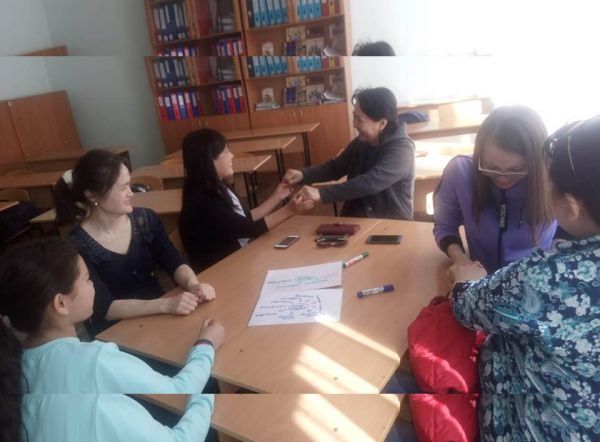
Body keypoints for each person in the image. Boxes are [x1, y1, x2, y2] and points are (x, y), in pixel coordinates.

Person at [450, 116, 600, 442]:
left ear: (572, 205)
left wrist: (465, 281)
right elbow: (445, 224)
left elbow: (466, 306)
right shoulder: (460, 173)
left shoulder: (547, 277)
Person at [0, 238, 225, 442]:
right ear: (61, 303)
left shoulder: (13, 369)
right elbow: (180, 435)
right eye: (87, 279)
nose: (93, 285)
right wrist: (206, 345)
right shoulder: (94, 363)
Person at [54, 149, 216, 337]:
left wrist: (193, 284)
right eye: (123, 188)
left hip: (159, 314)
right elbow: (104, 307)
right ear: (92, 196)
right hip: (116, 331)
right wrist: (166, 305)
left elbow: (174, 262)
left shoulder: (146, 219)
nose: (131, 193)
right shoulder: (76, 245)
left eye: (129, 185)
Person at [434, 105, 557, 273]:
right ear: (479, 155)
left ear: (536, 163)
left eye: (516, 170)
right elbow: (444, 226)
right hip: (480, 276)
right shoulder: (460, 171)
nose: (503, 178)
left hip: (534, 279)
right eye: (491, 168)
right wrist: (461, 260)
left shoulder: (553, 177)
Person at [178, 129, 314, 273]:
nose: (231, 155)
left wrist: (277, 197)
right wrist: (289, 210)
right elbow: (250, 229)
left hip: (236, 260)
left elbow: (243, 219)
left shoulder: (219, 186)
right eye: (226, 151)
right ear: (210, 159)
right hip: (221, 271)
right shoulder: (204, 201)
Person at [284, 87, 415, 219]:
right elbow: (335, 168)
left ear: (382, 123)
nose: (354, 124)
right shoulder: (362, 141)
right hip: (356, 218)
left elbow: (370, 183)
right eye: (354, 117)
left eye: (359, 120)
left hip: (390, 223)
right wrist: (303, 174)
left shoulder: (402, 149)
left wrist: (321, 194)